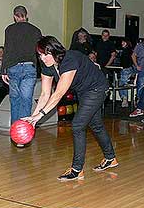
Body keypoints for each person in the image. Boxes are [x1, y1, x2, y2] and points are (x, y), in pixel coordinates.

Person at [26, 36, 118, 181]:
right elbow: (45, 94)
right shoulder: (46, 66)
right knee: (96, 125)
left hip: (98, 88)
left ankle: (77, 169)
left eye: (46, 54)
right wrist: (33, 118)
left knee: (77, 125)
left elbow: (58, 94)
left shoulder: (69, 59)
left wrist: (40, 116)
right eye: (40, 54)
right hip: (84, 91)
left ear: (55, 51)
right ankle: (110, 158)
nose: (43, 58)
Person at [1, 6, 42, 143]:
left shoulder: (9, 29)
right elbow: (40, 52)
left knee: (15, 100)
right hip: (30, 67)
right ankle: (23, 135)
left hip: (13, 67)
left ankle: (15, 133)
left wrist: (3, 70)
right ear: (26, 15)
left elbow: (7, 50)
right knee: (26, 100)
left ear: (14, 16)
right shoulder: (36, 30)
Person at [118, 38, 136, 108]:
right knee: (123, 84)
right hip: (130, 69)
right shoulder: (130, 50)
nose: (122, 43)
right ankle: (125, 99)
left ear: (127, 43)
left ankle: (124, 99)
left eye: (123, 42)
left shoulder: (126, 51)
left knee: (122, 84)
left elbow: (125, 62)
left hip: (126, 69)